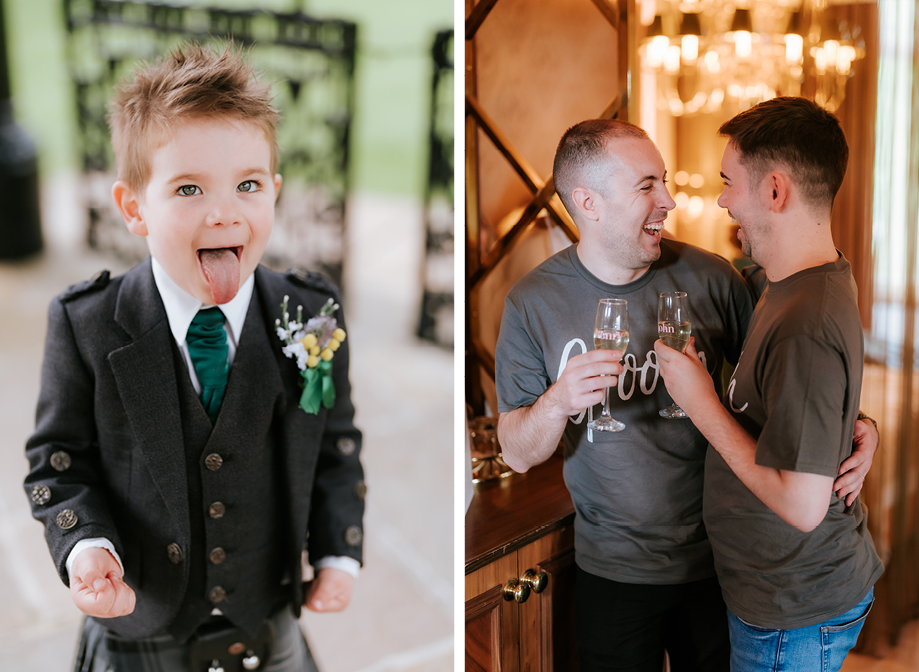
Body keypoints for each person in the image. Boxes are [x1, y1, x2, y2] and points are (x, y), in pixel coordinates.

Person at [23, 43, 364, 671]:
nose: (224, 210)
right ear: (134, 209)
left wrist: (338, 551)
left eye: (248, 185)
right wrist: (85, 545)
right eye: (188, 188)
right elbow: (57, 462)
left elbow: (335, 444)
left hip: (266, 617)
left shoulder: (312, 314)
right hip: (140, 623)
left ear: (275, 192)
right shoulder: (86, 324)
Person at [494, 118, 877, 672]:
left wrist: (860, 426)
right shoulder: (531, 304)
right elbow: (515, 453)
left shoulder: (716, 278)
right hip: (613, 571)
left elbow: (792, 378)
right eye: (647, 185)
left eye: (664, 181)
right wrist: (556, 402)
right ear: (589, 202)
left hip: (719, 569)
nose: (669, 201)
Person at [655, 97, 883, 671]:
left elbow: (804, 507)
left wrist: (701, 401)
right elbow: (814, 394)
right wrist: (861, 427)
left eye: (730, 182)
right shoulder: (794, 281)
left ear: (775, 190)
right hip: (780, 596)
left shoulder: (805, 319)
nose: (721, 200)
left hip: (793, 609)